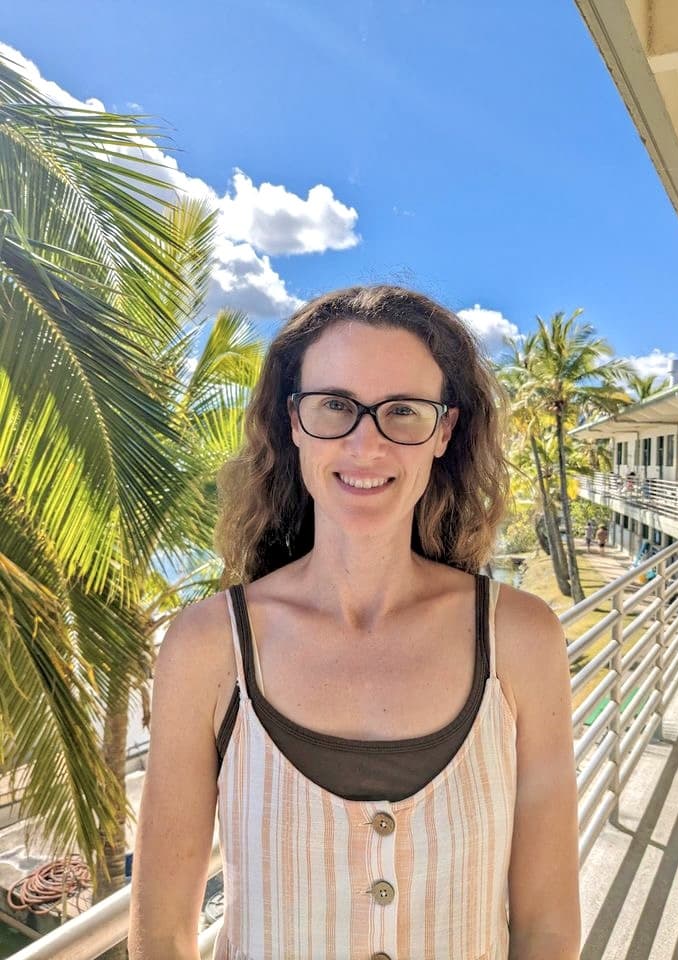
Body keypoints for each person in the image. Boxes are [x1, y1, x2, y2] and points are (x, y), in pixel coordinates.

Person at [128, 285, 581, 960]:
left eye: (403, 411)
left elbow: (547, 928)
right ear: (294, 422)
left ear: (445, 431)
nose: (365, 443)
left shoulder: (520, 640)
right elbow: (163, 935)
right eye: (335, 405)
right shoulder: (208, 647)